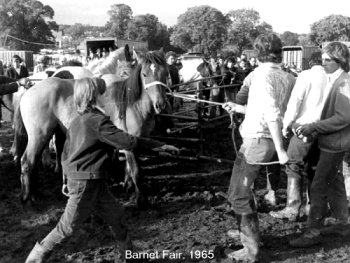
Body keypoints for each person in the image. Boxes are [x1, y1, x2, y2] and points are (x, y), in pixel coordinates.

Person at [24, 77, 180, 263]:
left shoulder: (77, 121)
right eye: (100, 92)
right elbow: (127, 141)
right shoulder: (98, 122)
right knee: (67, 228)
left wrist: (66, 179)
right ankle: (34, 259)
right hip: (86, 182)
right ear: (94, 96)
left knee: (116, 215)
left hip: (92, 180)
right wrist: (159, 146)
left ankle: (129, 255)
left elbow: (65, 152)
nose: (104, 95)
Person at [222, 33, 295, 262]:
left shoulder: (260, 76)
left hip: (257, 140)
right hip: (266, 139)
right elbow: (270, 110)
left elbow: (273, 113)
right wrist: (238, 107)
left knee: (238, 194)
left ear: (257, 53)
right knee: (244, 191)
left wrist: (281, 151)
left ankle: (250, 249)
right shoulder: (286, 76)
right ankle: (248, 234)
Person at [290, 41, 350, 248]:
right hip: (335, 142)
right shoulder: (337, 80)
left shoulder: (343, 83)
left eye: (327, 60)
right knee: (335, 182)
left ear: (339, 61)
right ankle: (343, 222)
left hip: (335, 143)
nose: (322, 63)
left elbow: (343, 118)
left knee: (318, 185)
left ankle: (313, 232)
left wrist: (314, 126)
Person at [270, 51, 328, 221]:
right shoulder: (334, 77)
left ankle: (292, 208)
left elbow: (295, 101)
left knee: (293, 165)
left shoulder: (306, 75)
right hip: (325, 129)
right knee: (314, 167)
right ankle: (313, 207)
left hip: (305, 127)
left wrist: (286, 124)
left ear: (311, 62)